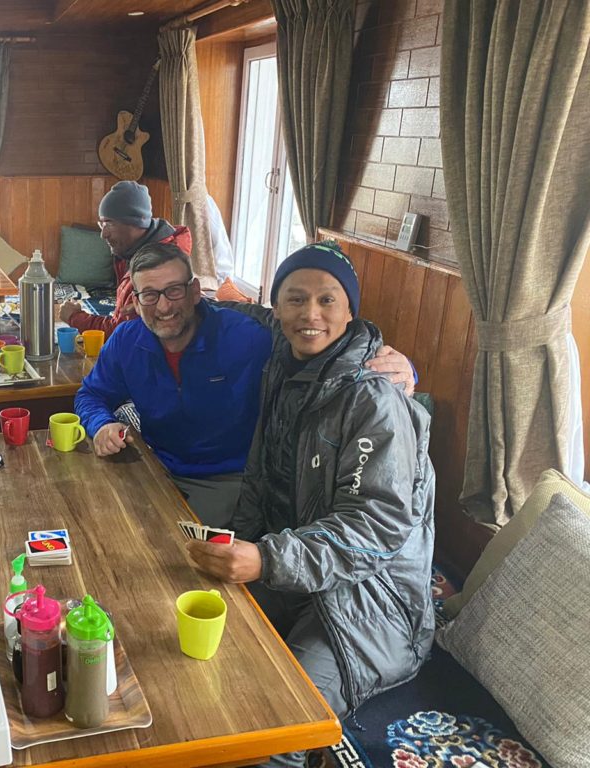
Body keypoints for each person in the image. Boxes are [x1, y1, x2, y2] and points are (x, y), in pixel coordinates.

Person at [187, 244, 435, 768]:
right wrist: (179, 297)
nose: (311, 314)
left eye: (328, 299)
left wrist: (267, 560)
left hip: (369, 601)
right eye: (295, 299)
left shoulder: (374, 398)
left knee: (271, 732)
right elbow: (237, 310)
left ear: (352, 311)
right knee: (189, 657)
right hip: (294, 572)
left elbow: (374, 525)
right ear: (278, 309)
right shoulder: (285, 360)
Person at [74, 242, 416, 528]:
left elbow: (327, 351)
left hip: (229, 480)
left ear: (194, 292)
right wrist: (101, 423)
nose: (163, 306)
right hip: (154, 466)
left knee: (169, 553)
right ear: (134, 301)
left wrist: (406, 370)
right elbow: (91, 394)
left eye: (174, 291)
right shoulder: (126, 340)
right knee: (96, 523)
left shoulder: (247, 337)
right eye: (149, 295)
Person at [58, 180, 191, 339]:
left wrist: (75, 317)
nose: (103, 234)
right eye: (102, 224)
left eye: (109, 224)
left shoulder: (153, 269)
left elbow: (119, 334)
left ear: (136, 223)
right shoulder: (131, 252)